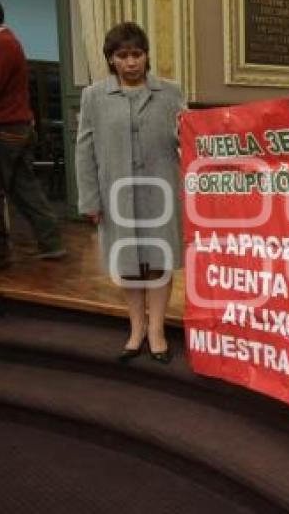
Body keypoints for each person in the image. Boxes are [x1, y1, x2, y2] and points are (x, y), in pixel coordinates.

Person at [76, 22, 184, 364]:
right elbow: (84, 149)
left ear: (147, 55)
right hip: (116, 195)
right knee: (129, 265)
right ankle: (136, 329)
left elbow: (189, 136)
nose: (131, 62)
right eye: (122, 55)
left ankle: (157, 331)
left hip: (161, 193)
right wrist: (90, 199)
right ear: (111, 59)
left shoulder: (170, 92)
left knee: (158, 263)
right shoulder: (94, 96)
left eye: (137, 54)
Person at [0, 0, 65, 259]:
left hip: (3, 128)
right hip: (15, 126)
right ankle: (51, 244)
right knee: (24, 188)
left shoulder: (1, 44)